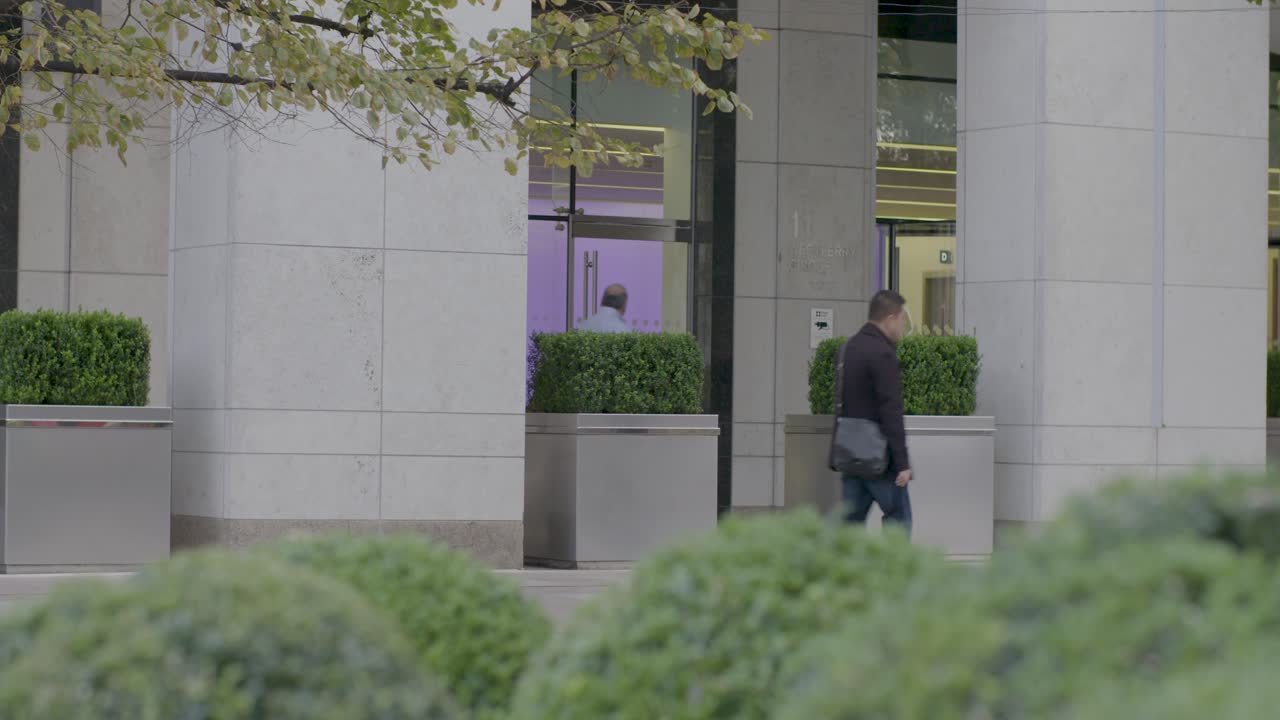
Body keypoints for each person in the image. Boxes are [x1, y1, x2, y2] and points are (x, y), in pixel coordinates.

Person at [839, 289, 912, 533]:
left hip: (850, 455)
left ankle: (846, 571)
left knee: (849, 526)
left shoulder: (850, 347)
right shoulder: (883, 353)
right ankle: (893, 571)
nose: (902, 326)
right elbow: (891, 409)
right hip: (880, 459)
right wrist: (902, 463)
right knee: (898, 518)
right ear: (890, 318)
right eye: (901, 319)